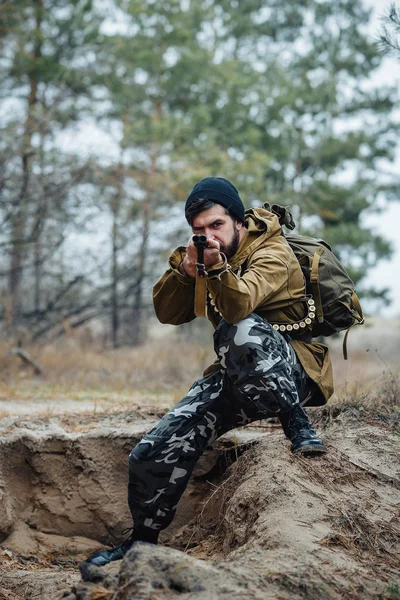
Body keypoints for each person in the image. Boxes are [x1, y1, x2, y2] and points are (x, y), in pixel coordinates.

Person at [86, 176, 333, 567]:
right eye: (198, 229)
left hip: (292, 370)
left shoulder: (273, 251)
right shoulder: (199, 254)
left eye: (216, 225)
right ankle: (142, 542)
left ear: (238, 221)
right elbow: (168, 314)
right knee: (151, 451)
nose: (207, 235)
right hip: (238, 371)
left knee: (237, 329)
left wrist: (216, 271)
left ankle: (295, 419)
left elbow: (238, 308)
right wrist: (186, 271)